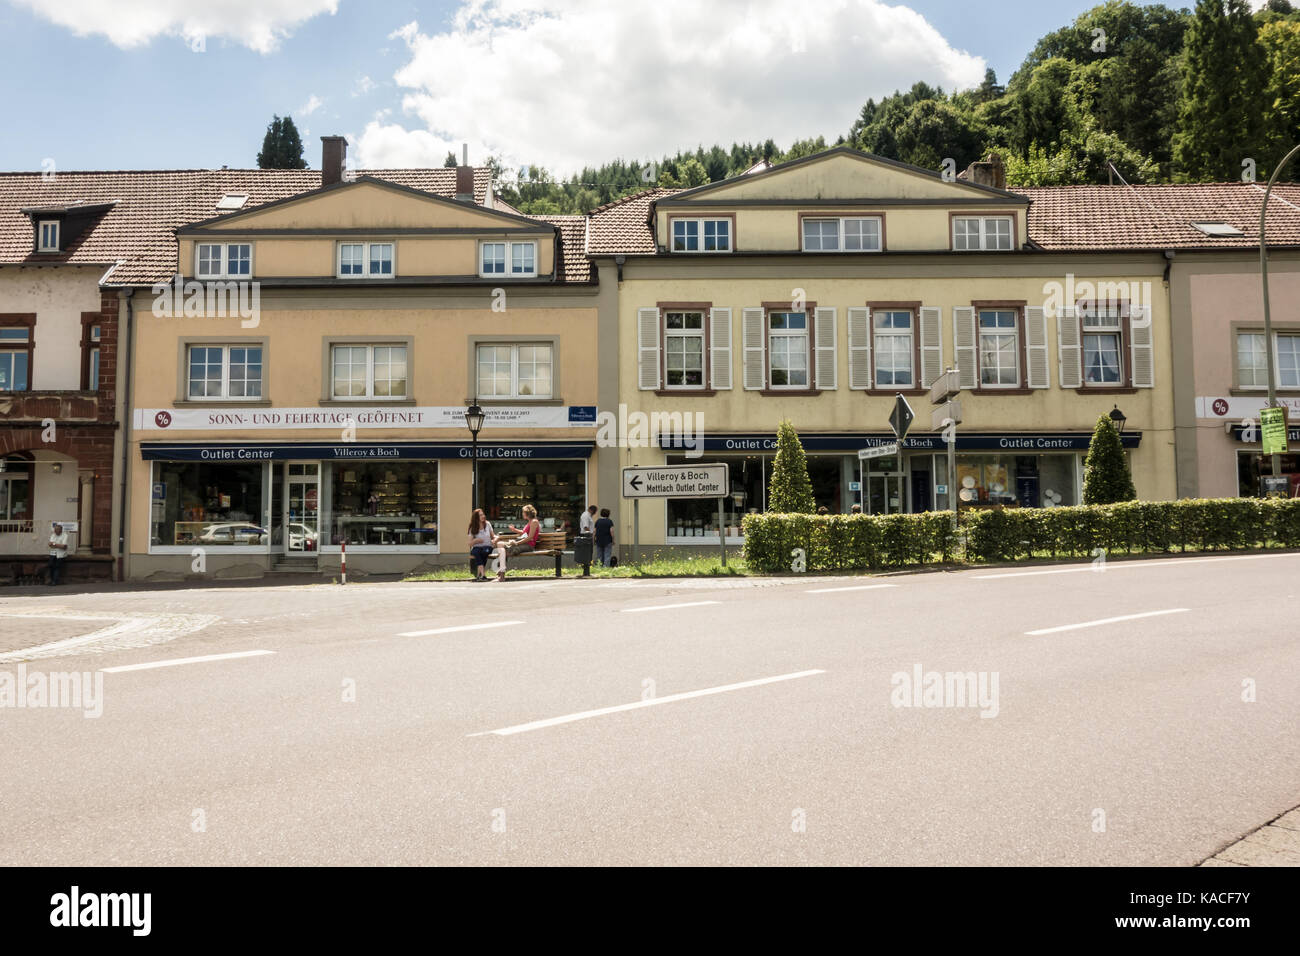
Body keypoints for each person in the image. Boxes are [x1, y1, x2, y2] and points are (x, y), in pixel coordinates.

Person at [491, 504, 540, 581]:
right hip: (523, 543)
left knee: (503, 552)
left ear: (527, 513)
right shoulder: (530, 522)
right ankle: (501, 572)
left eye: (523, 512)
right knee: (500, 544)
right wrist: (514, 530)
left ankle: (501, 574)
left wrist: (517, 543)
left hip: (528, 545)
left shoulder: (534, 522)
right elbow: (524, 533)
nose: (522, 514)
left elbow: (530, 538)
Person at [466, 509, 494, 581]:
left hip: (487, 546)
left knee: (484, 552)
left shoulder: (487, 524)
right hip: (477, 547)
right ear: (476, 517)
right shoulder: (473, 527)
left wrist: (496, 540)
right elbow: (469, 543)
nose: (483, 516)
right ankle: (483, 575)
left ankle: (479, 575)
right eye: (480, 515)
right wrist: (476, 540)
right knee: (476, 552)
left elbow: (493, 536)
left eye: (483, 514)